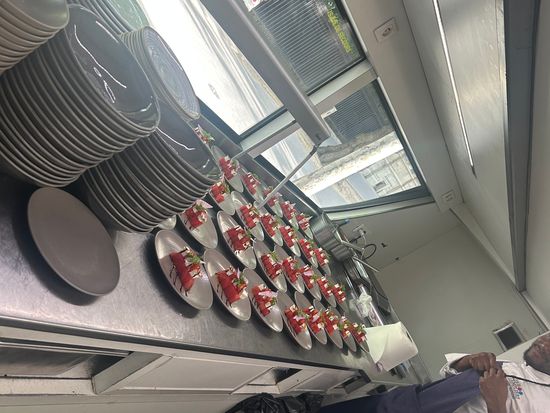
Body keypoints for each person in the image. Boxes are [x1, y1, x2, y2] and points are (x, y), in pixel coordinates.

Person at [320, 333, 550, 413]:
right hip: (402, 403)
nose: (544, 341)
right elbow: (450, 376)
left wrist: (496, 404)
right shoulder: (514, 366)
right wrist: (466, 361)